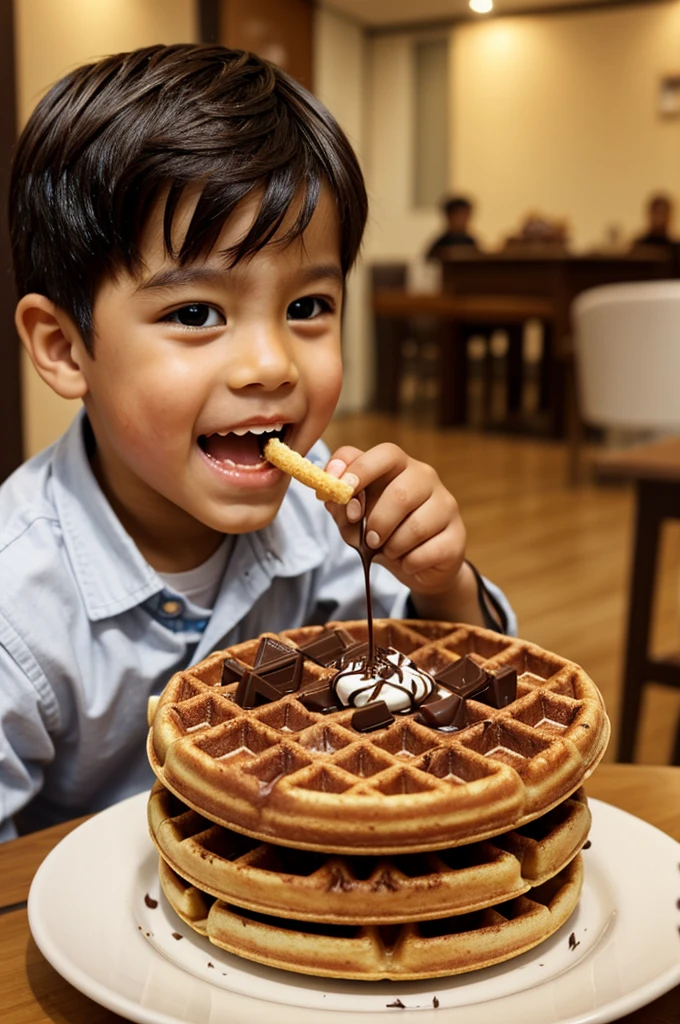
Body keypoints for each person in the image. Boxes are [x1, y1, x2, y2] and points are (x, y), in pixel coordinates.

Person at [0, 45, 515, 842]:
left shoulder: (331, 529)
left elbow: (480, 722)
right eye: (198, 313)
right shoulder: (17, 602)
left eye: (309, 305)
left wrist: (441, 585)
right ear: (65, 348)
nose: (273, 365)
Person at [426, 195, 478, 259]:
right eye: (461, 216)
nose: (465, 220)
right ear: (449, 217)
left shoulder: (470, 242)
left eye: (467, 216)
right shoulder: (441, 245)